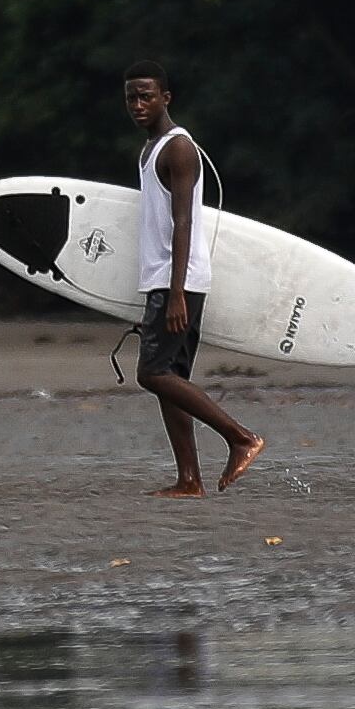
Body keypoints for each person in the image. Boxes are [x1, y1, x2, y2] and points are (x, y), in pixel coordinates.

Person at [122, 65, 266, 497]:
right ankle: (189, 479)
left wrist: (177, 291)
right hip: (165, 279)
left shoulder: (179, 148)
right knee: (172, 379)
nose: (138, 105)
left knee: (151, 373)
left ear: (167, 97)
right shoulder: (151, 149)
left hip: (177, 280)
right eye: (131, 97)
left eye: (146, 96)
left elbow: (184, 221)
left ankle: (240, 438)